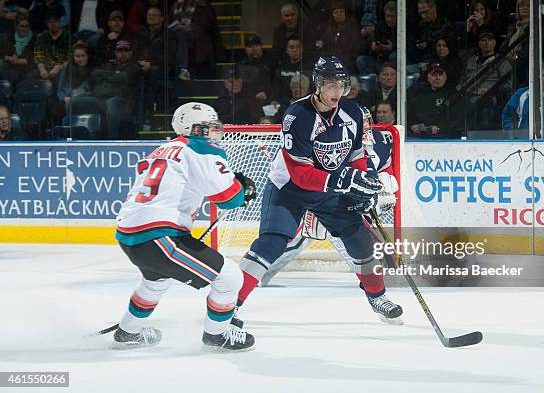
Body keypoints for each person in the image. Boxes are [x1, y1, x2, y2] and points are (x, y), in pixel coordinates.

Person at [233, 55, 404, 326]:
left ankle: (378, 297)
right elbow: (301, 175)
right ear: (317, 85)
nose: (337, 92)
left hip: (328, 188)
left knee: (360, 240)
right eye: (330, 85)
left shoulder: (354, 114)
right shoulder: (297, 116)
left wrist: (364, 183)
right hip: (288, 189)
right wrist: (347, 181)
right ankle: (227, 305)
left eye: (341, 86)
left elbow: (356, 156)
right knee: (271, 244)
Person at [112, 102, 257, 351]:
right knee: (230, 277)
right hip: (160, 235)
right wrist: (243, 189)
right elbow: (229, 197)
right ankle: (217, 335)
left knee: (156, 281)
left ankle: (128, 332)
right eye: (209, 127)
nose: (214, 133)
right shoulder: (199, 149)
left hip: (130, 234)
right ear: (195, 129)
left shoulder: (162, 149)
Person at [260, 107, 398, 286]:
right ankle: (259, 271)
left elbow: (385, 175)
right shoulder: (339, 137)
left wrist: (381, 193)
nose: (364, 125)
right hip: (329, 199)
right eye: (360, 120)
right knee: (296, 240)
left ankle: (376, 283)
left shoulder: (380, 141)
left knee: (362, 247)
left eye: (366, 120)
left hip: (354, 205)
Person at [501, 61, 544, 139]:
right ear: (536, 75)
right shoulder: (520, 94)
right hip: (525, 142)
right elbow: (507, 115)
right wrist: (511, 135)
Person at [407, 62, 464, 139]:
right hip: (420, 137)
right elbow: (411, 113)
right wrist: (413, 125)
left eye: (440, 74)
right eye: (434, 75)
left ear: (445, 77)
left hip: (446, 137)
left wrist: (439, 128)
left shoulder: (454, 95)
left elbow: (458, 118)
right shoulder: (420, 94)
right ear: (428, 78)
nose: (438, 78)